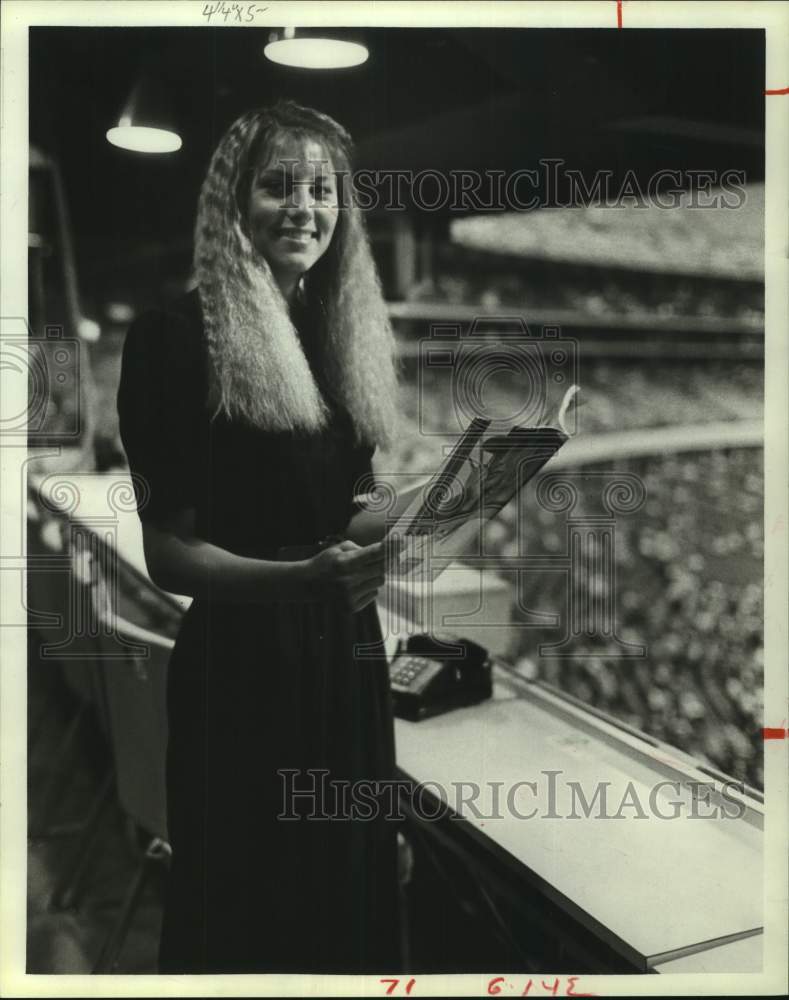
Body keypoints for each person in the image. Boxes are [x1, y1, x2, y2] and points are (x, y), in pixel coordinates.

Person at [117, 100, 405, 973]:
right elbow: (169, 556)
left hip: (343, 662)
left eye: (321, 189)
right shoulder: (176, 339)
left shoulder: (333, 338)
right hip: (243, 677)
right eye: (279, 185)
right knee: (248, 916)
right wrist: (299, 583)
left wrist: (453, 496)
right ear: (233, 203)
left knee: (342, 905)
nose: (304, 207)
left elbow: (341, 517)